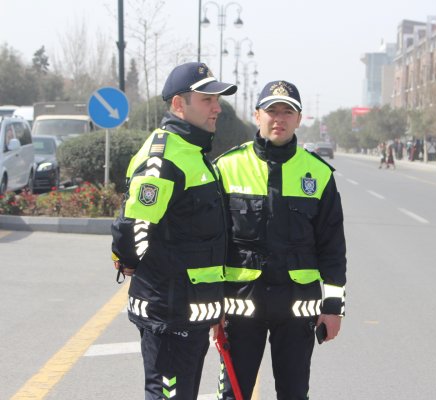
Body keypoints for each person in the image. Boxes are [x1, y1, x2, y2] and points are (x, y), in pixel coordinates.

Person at [111, 62, 237, 400]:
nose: (217, 107)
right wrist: (135, 264)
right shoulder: (164, 157)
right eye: (207, 99)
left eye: (217, 99)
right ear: (179, 105)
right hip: (168, 312)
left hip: (190, 309)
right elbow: (132, 227)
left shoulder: (193, 152)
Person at [214, 80, 347, 400]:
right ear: (257, 115)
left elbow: (332, 248)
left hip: (297, 308)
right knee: (234, 394)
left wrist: (333, 308)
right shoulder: (227, 167)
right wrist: (210, 302)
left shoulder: (318, 174)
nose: (279, 118)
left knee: (294, 393)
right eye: (272, 111)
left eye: (288, 112)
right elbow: (212, 242)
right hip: (240, 306)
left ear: (299, 119)